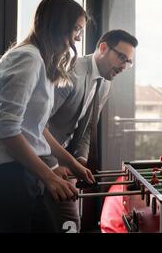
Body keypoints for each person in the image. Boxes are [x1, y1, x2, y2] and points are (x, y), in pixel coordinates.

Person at [0, 0, 95, 232]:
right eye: (76, 30)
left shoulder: (40, 60)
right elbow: (6, 129)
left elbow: (38, 128)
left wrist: (72, 163)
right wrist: (49, 176)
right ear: (58, 25)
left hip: (25, 169)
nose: (78, 38)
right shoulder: (28, 58)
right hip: (11, 174)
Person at [47, 29, 138, 232]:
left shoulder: (105, 82)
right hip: (36, 161)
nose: (124, 66)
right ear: (103, 48)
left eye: (128, 61)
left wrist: (80, 160)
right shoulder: (72, 71)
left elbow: (87, 127)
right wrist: (53, 165)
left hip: (62, 165)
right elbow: (36, 124)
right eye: (121, 57)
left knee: (69, 223)